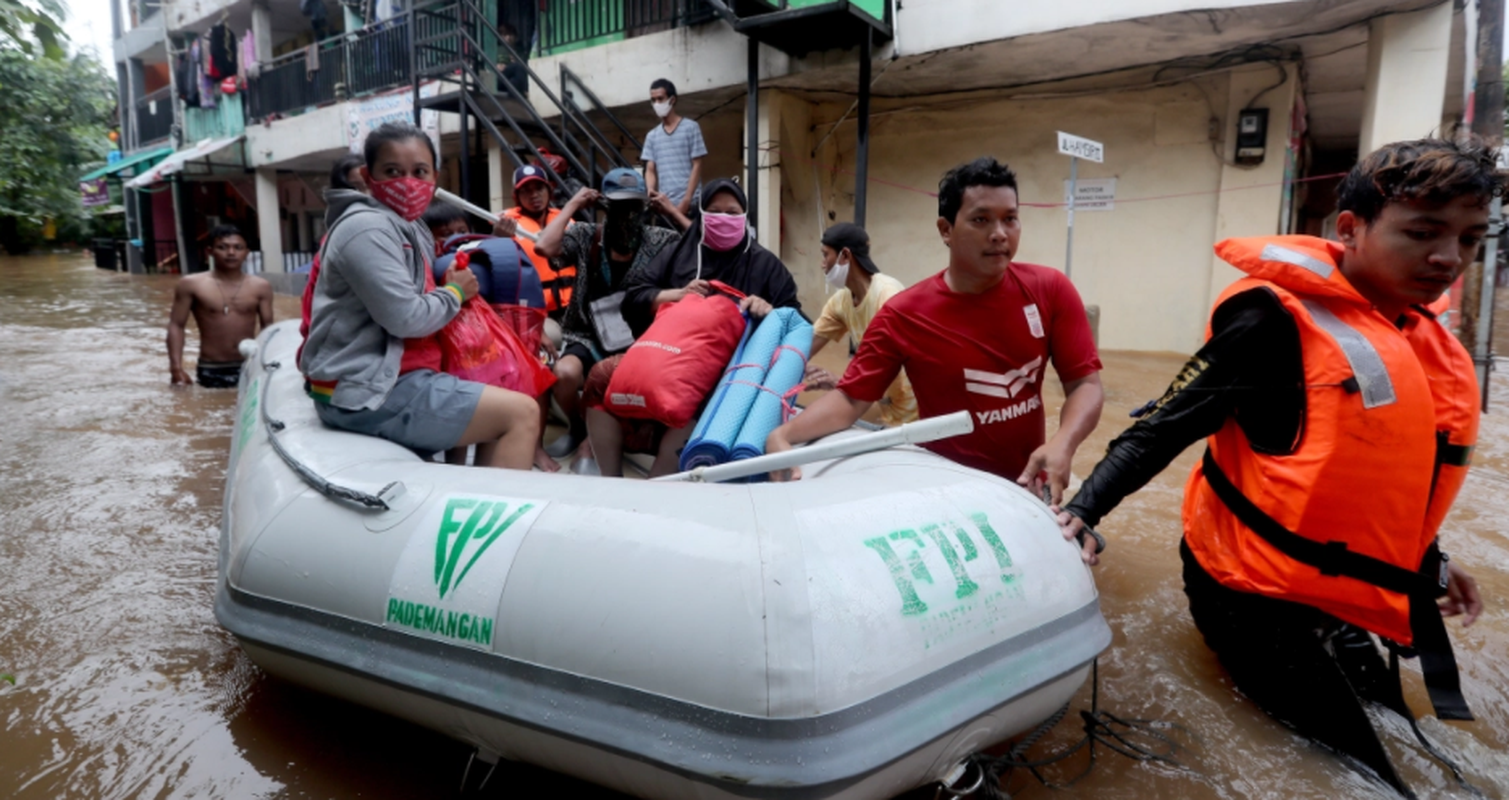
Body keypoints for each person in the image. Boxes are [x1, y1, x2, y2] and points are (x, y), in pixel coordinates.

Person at [1055, 138, 1494, 796]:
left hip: (1336, 595)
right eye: (1422, 233)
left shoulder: (1413, 335)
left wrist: (1431, 557)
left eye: (1468, 239)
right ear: (1349, 228)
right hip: (1248, 597)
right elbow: (1159, 431)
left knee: (1410, 732)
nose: (1447, 259)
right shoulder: (1268, 324)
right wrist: (1078, 513)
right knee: (1369, 774)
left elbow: (1375, 480)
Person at [766, 157, 1103, 492]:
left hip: (1025, 490)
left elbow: (1085, 385)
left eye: (1010, 219)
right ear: (946, 230)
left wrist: (1063, 444)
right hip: (943, 491)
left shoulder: (1050, 290)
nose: (999, 234)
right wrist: (783, 435)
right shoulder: (903, 314)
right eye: (981, 219)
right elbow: (851, 401)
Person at [300, 121, 540, 469]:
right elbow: (406, 318)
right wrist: (456, 292)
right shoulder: (366, 228)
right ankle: (497, 518)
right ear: (369, 177)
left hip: (399, 377)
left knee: (503, 393)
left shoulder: (409, 226)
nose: (408, 181)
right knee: (522, 413)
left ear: (435, 177)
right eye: (393, 171)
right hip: (368, 389)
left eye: (419, 171)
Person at [584, 178, 800, 477]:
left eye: (732, 212)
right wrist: (676, 294)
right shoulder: (678, 253)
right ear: (701, 214)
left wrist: (769, 313)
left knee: (698, 393)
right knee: (599, 377)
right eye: (714, 210)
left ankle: (660, 483)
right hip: (668, 353)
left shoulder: (765, 265)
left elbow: (796, 322)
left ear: (745, 217)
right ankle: (610, 476)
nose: (724, 218)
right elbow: (633, 295)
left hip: (728, 367)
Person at [534, 167, 689, 459]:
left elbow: (700, 244)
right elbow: (544, 246)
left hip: (636, 338)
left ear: (644, 207)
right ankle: (577, 428)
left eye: (634, 206)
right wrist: (574, 204)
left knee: (624, 380)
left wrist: (670, 210)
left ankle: (599, 438)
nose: (627, 214)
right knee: (564, 373)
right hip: (587, 332)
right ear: (605, 205)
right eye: (619, 206)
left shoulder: (660, 240)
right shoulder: (585, 235)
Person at [807, 222, 918, 427]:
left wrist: (840, 383)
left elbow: (889, 370)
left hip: (915, 415)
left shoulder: (887, 297)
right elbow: (806, 345)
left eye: (825, 255)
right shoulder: (841, 302)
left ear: (845, 255)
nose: (822, 264)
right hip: (887, 409)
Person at [167, 224, 274, 388]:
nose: (231, 253)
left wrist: (269, 363)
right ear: (210, 251)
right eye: (223, 247)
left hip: (249, 365)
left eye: (238, 248)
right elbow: (176, 325)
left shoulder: (261, 286)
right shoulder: (191, 284)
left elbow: (268, 330)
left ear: (247, 253)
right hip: (211, 368)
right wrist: (176, 368)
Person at [502, 164, 573, 313]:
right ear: (516, 196)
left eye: (539, 188)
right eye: (526, 190)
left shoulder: (566, 221)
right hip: (537, 309)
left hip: (573, 306)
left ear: (549, 191)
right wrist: (497, 239)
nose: (534, 195)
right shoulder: (506, 227)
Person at [642, 78, 706, 217]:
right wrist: (651, 190)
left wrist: (687, 200)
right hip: (665, 206)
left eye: (660, 99)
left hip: (692, 204)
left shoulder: (691, 128)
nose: (657, 104)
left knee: (692, 238)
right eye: (653, 100)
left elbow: (697, 165)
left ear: (672, 100)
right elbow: (650, 169)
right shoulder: (652, 136)